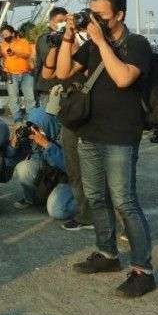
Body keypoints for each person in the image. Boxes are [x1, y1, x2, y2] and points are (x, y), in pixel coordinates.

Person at [56, 0, 156, 298]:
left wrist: (100, 41)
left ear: (119, 15)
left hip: (121, 136)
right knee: (95, 197)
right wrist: (70, 36)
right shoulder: (91, 44)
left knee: (124, 202)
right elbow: (62, 72)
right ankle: (108, 253)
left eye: (102, 14)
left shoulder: (136, 43)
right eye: (92, 13)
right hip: (90, 133)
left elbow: (124, 77)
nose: (95, 19)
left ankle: (143, 270)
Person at [40, 40, 94, 232]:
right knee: (73, 168)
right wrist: (57, 46)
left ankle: (98, 211)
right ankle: (86, 213)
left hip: (89, 117)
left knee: (91, 166)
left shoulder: (87, 51)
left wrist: (74, 45)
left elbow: (86, 68)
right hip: (69, 118)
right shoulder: (62, 56)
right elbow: (47, 74)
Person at [8, 105, 76, 221]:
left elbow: (71, 168)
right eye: (32, 126)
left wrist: (47, 145)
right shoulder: (36, 136)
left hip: (70, 179)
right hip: (52, 175)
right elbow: (12, 161)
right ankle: (32, 199)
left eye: (38, 127)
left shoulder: (67, 135)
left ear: (49, 125)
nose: (35, 130)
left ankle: (88, 206)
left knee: (57, 210)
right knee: (23, 168)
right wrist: (14, 145)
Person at [0, 24, 35, 122]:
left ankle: (31, 119)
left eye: (6, 34)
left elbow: (27, 54)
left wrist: (15, 52)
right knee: (13, 98)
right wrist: (2, 59)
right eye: (3, 35)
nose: (5, 36)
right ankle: (17, 119)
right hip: (10, 74)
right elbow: (3, 56)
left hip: (26, 74)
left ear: (13, 33)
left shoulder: (23, 42)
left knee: (30, 97)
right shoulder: (2, 44)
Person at [34, 8, 68, 107]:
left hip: (61, 87)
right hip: (48, 88)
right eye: (60, 21)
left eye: (65, 21)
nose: (64, 24)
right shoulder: (46, 38)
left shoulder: (64, 37)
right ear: (51, 22)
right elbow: (48, 61)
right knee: (50, 120)